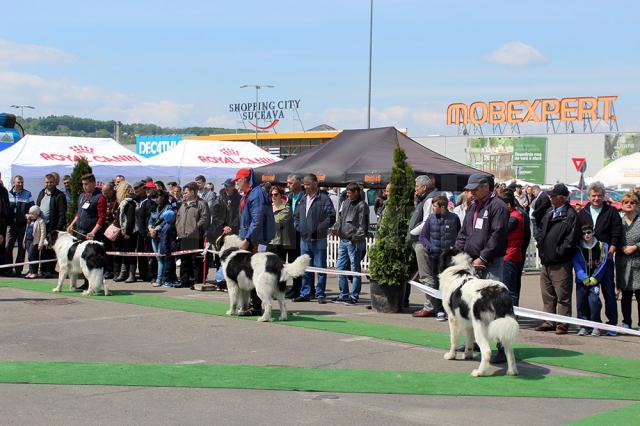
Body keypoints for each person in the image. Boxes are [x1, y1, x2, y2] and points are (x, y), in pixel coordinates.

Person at [577, 181, 623, 335]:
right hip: (588, 261)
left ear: (604, 196)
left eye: (599, 196)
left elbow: (617, 232)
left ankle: (611, 325)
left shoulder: (611, 212)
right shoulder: (583, 213)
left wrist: (612, 249)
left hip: (606, 259)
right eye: (593, 196)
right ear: (589, 196)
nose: (596, 198)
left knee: (609, 292)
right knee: (587, 294)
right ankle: (587, 323)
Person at [535, 183, 580, 335]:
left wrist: (558, 253)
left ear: (562, 197)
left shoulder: (571, 215)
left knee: (562, 295)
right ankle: (548, 321)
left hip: (560, 262)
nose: (550, 198)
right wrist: (542, 249)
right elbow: (541, 231)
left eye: (553, 196)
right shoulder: (549, 212)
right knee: (547, 294)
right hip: (546, 260)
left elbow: (571, 240)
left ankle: (563, 323)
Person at [230, 168, 276, 314]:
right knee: (251, 273)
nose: (236, 183)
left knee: (257, 274)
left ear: (245, 180)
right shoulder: (250, 194)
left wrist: (247, 239)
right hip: (252, 239)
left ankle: (257, 307)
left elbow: (257, 220)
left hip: (256, 241)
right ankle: (253, 304)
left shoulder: (256, 194)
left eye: (237, 180)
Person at [293, 173, 336, 304]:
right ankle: (305, 293)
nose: (305, 187)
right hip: (304, 239)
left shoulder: (323, 198)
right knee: (305, 267)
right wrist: (299, 228)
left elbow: (331, 217)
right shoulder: (302, 198)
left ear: (315, 184)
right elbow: (296, 216)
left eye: (307, 184)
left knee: (320, 267)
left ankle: (320, 293)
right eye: (304, 184)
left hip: (319, 239)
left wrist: (318, 229)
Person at [418, 194, 460, 320]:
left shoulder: (454, 218)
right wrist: (430, 246)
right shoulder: (431, 219)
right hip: (435, 256)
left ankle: (451, 309)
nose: (432, 208)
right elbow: (422, 236)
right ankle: (439, 310)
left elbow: (460, 235)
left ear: (442, 207)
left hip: (450, 257)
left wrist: (455, 249)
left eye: (435, 206)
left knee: (451, 283)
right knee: (437, 283)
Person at [410, 175, 441, 317]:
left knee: (426, 276)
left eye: (417, 186)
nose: (415, 188)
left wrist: (411, 232)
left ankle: (430, 306)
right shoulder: (429, 197)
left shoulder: (430, 199)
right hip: (429, 242)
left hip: (423, 242)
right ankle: (434, 306)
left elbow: (426, 222)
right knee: (430, 275)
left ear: (424, 187)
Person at [333, 182, 369, 305]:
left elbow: (363, 226)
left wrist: (354, 238)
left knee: (355, 269)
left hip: (354, 242)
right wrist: (338, 230)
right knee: (340, 268)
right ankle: (344, 294)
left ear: (356, 192)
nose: (347, 194)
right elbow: (341, 218)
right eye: (347, 192)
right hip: (343, 240)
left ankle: (354, 296)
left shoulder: (362, 205)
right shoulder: (346, 202)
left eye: (349, 192)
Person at [573, 224, 606, 336]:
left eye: (588, 232)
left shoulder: (602, 246)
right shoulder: (578, 247)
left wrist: (594, 278)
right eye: (583, 233)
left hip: (594, 281)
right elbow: (576, 264)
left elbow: (602, 263)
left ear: (593, 232)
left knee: (594, 302)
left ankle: (596, 325)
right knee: (581, 303)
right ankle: (583, 326)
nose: (586, 235)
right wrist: (584, 278)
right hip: (582, 281)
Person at [175, 182, 210, 288]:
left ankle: (196, 281)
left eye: (186, 192)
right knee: (184, 260)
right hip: (183, 236)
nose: (184, 194)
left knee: (196, 261)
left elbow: (205, 218)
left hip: (195, 236)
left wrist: (195, 228)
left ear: (193, 192)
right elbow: (178, 218)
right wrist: (178, 228)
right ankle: (184, 280)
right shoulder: (183, 204)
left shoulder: (201, 203)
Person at [496, 188, 525, 306]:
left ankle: (512, 314)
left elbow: (501, 231)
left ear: (508, 204)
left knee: (510, 290)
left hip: (511, 256)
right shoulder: (512, 215)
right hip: (509, 255)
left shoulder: (514, 217)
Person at [210, 178, 241, 289]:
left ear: (234, 186)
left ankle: (233, 280)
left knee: (233, 256)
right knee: (220, 256)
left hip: (234, 232)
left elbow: (239, 215)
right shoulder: (219, 198)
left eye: (228, 186)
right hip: (220, 232)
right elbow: (215, 214)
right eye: (225, 186)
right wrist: (224, 226)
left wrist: (231, 227)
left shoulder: (239, 199)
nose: (226, 188)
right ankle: (221, 281)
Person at [616, 192, 640, 330]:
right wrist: (621, 247)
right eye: (626, 202)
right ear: (622, 205)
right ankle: (626, 322)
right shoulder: (619, 222)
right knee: (625, 295)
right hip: (623, 264)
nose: (629, 204)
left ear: (637, 205)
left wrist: (635, 247)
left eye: (632, 202)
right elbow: (614, 238)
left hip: (638, 262)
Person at [36, 174, 67, 278]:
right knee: (43, 248)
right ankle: (43, 270)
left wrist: (58, 229)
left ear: (55, 182)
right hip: (41, 226)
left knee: (51, 249)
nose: (48, 184)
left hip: (53, 227)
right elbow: (37, 207)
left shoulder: (59, 195)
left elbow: (62, 213)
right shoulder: (41, 193)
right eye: (47, 182)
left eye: (51, 182)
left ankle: (50, 270)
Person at [6, 175, 34, 276]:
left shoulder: (28, 194)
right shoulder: (8, 194)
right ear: (14, 183)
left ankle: (18, 270)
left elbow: (32, 207)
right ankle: (8, 269)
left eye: (22, 182)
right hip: (10, 225)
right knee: (8, 247)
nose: (21, 184)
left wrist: (29, 214)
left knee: (22, 248)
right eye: (18, 182)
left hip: (22, 226)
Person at [66, 173, 106, 241]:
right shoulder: (82, 196)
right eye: (83, 184)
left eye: (86, 184)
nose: (84, 186)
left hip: (91, 235)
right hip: (80, 233)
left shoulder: (100, 198)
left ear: (93, 183)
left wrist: (93, 232)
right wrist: (72, 224)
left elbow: (102, 218)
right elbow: (79, 213)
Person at [284, 174, 305, 299]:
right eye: (288, 183)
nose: (288, 185)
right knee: (292, 261)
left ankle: (302, 288)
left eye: (290, 183)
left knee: (300, 261)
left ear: (298, 183)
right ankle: (295, 287)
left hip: (301, 233)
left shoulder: (304, 196)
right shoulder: (290, 196)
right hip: (290, 233)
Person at [148, 190, 174, 287]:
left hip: (163, 236)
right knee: (158, 258)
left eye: (158, 196)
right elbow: (150, 220)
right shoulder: (154, 207)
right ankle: (160, 278)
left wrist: (156, 229)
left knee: (161, 257)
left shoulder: (169, 207)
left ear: (163, 196)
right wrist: (150, 228)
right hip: (153, 236)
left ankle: (160, 279)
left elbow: (167, 222)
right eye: (155, 197)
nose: (156, 199)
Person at [113, 182, 137, 283]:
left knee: (130, 254)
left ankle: (131, 275)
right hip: (123, 232)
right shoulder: (123, 203)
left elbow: (130, 219)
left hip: (128, 233)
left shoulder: (129, 203)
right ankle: (123, 273)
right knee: (124, 253)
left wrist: (127, 232)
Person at [267, 185, 294, 261]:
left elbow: (278, 223)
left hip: (280, 242)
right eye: (271, 195)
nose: (273, 196)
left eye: (275, 194)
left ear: (281, 195)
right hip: (268, 241)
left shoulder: (286, 207)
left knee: (278, 268)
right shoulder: (268, 207)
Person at [101, 181, 119, 279]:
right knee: (106, 250)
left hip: (114, 229)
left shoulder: (117, 199)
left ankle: (115, 271)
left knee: (114, 250)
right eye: (103, 192)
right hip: (104, 229)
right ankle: (107, 270)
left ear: (112, 190)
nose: (105, 194)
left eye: (107, 192)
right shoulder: (102, 198)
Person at [23, 205, 46, 279]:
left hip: (35, 242)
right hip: (28, 241)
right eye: (30, 213)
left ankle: (34, 272)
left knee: (32, 256)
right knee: (29, 257)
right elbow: (26, 231)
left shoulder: (40, 221)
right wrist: (24, 240)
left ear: (37, 214)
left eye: (32, 214)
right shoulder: (30, 221)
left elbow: (43, 233)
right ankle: (30, 271)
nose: (31, 215)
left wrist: (41, 243)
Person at [158, 209, 179, 287]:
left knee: (172, 266)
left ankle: (172, 279)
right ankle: (166, 280)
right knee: (168, 267)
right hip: (168, 251)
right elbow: (164, 241)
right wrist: (166, 251)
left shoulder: (170, 226)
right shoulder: (168, 228)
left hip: (170, 250)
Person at [0, 176, 10, 274]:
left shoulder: (3, 191)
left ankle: (2, 269)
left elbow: (5, 208)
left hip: (1, 224)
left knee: (2, 247)